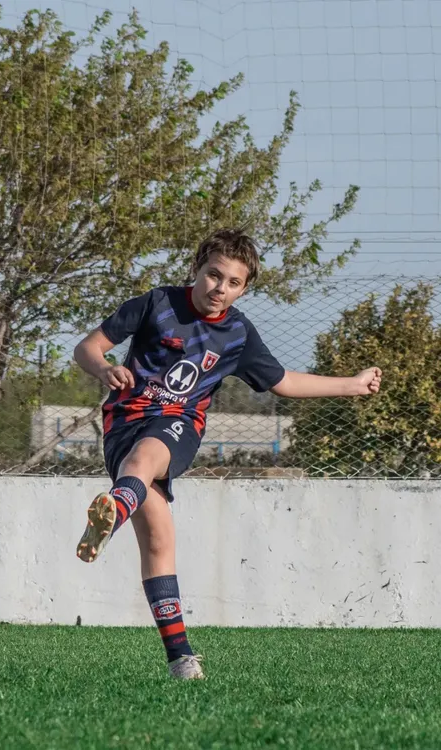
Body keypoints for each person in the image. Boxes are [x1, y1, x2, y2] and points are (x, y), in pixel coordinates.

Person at [73, 228, 382, 680]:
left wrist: (351, 385)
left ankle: (114, 511)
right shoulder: (156, 303)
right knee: (158, 539)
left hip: (177, 424)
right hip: (123, 421)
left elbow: (284, 382)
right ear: (196, 269)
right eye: (214, 275)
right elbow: (87, 347)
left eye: (233, 282)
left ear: (243, 289)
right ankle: (180, 658)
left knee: (144, 459)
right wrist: (104, 367)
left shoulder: (237, 333)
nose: (220, 288)